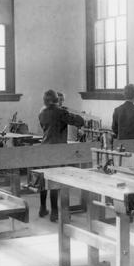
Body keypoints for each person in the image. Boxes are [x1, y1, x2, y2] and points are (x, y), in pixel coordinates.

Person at [38, 89, 84, 222]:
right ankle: (54, 212)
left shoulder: (41, 112)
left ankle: (42, 208)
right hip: (57, 150)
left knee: (44, 179)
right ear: (57, 100)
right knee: (55, 181)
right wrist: (69, 112)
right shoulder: (61, 112)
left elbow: (45, 127)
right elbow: (79, 121)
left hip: (44, 148)